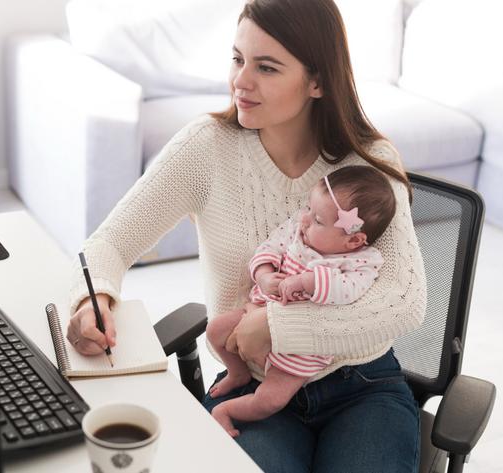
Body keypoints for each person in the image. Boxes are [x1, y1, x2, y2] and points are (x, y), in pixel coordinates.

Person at [66, 0, 427, 471]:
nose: (241, 80)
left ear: (317, 80)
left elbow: (405, 299)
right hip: (252, 386)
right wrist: (94, 300)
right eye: (238, 59)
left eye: (267, 67)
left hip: (362, 386)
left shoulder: (369, 163)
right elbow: (110, 241)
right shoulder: (207, 147)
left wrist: (278, 325)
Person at [207, 165, 396, 437]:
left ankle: (226, 411)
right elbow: (268, 248)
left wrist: (309, 282)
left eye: (318, 220)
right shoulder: (297, 232)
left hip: (303, 350)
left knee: (270, 400)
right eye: (309, 208)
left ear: (353, 239)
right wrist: (264, 276)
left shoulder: (359, 261)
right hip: (257, 311)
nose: (305, 219)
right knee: (215, 330)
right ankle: (238, 372)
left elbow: (350, 291)